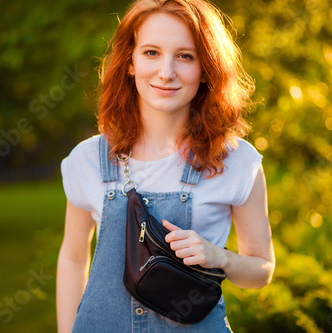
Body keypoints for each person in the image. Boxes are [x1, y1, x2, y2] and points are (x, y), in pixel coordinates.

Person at [56, 0, 275, 331]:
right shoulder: (87, 160)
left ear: (206, 68)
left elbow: (262, 270)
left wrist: (221, 257)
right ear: (130, 62)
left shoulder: (237, 161)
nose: (166, 72)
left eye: (185, 56)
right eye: (151, 53)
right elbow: (73, 259)